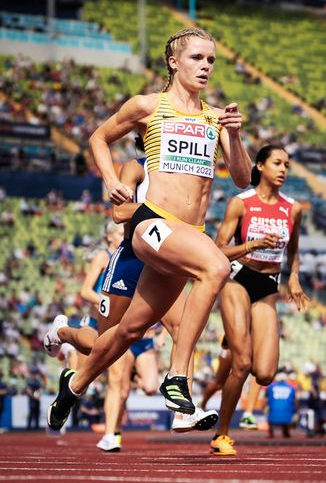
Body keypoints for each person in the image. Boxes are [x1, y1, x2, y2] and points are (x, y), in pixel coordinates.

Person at [47, 26, 251, 431]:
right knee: (215, 268)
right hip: (152, 226)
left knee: (129, 331)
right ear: (174, 62)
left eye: (211, 60)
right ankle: (178, 379)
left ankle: (75, 384)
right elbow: (99, 138)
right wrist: (111, 180)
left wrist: (234, 134)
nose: (206, 66)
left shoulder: (215, 118)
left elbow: (243, 179)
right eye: (197, 58)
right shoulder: (148, 106)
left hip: (187, 236)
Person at [209, 144, 309, 456]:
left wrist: (293, 276)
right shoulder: (240, 204)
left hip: (268, 285)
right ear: (261, 167)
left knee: (264, 374)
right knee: (242, 363)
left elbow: (293, 250)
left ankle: (239, 331)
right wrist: (252, 244)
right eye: (277, 163)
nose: (283, 169)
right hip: (238, 279)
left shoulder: (293, 209)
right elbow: (218, 250)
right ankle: (221, 435)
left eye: (287, 165)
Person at [266, 371, 297, 438]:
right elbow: (295, 401)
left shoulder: (270, 387)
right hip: (287, 415)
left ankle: (271, 432)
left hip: (273, 414)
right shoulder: (292, 388)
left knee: (267, 409)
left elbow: (267, 400)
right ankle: (286, 432)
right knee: (289, 408)